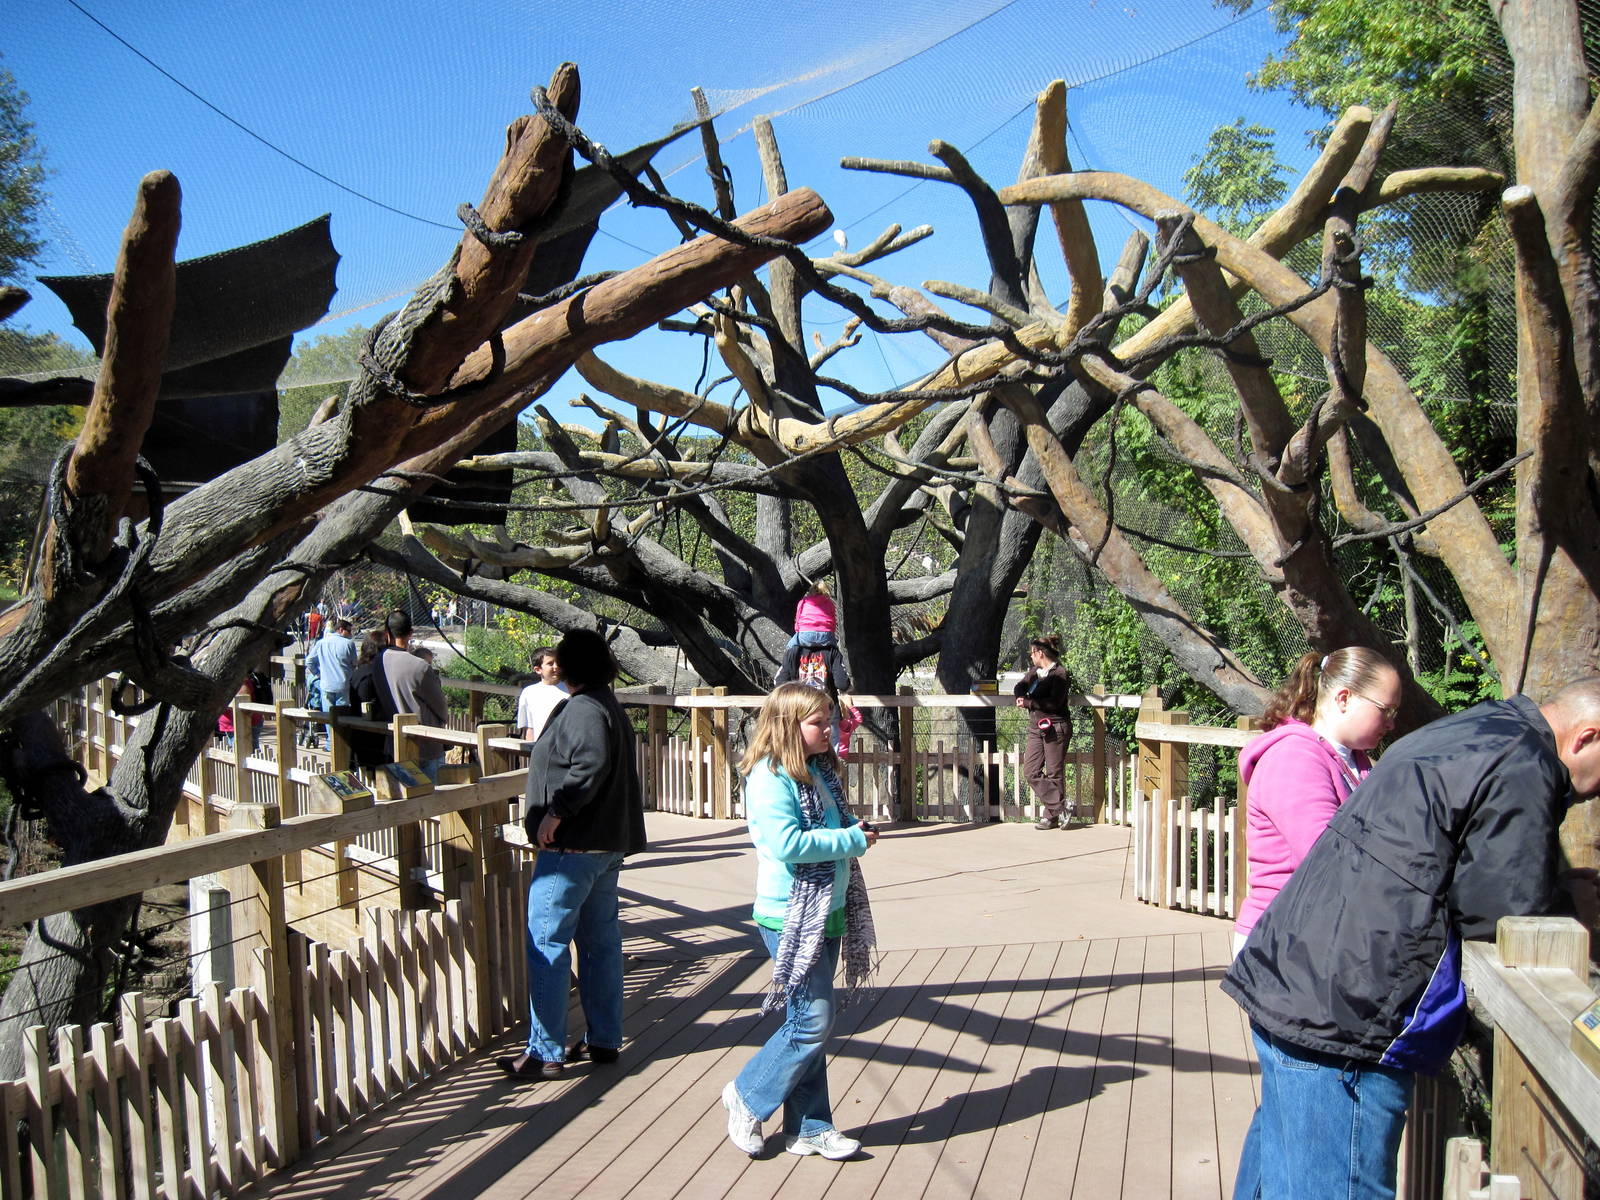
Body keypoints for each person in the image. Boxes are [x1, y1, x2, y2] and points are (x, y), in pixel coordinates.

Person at [1223, 679, 1600, 1200]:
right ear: (1586, 737)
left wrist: (1555, 886)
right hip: (1349, 1015)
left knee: (1279, 1172)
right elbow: (1499, 910)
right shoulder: (1523, 763)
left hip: (1298, 980)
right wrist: (1570, 908)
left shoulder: (1479, 728)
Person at [722, 682, 879, 1161]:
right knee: (812, 1020)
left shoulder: (818, 772)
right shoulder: (770, 777)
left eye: (830, 719)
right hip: (789, 914)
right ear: (790, 726)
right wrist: (850, 841)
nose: (829, 728)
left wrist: (849, 834)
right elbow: (785, 844)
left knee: (804, 1019)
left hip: (826, 909)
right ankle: (748, 1095)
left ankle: (809, 1126)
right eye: (818, 721)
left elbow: (827, 831)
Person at [497, 629, 646, 1081]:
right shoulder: (606, 704)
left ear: (570, 665)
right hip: (603, 844)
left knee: (548, 942)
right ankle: (604, 1037)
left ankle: (544, 1051)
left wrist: (555, 814)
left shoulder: (583, 708)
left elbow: (588, 764)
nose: (555, 667)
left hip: (573, 846)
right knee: (600, 945)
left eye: (560, 661)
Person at [1232, 647, 1400, 956]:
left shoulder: (1352, 759)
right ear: (1344, 698)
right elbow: (1329, 858)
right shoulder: (1294, 758)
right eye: (1384, 710)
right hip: (1284, 940)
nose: (1390, 723)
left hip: (1318, 934)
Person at [354, 610, 450, 782]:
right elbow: (441, 708)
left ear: (387, 633)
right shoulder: (420, 666)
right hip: (426, 745)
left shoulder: (378, 662)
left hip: (394, 744)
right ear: (411, 633)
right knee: (432, 801)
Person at [1013, 635, 1074, 829]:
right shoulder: (1035, 671)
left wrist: (1029, 703)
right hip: (1036, 728)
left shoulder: (1060, 674)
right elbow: (1019, 686)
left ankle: (1051, 817)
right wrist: (1021, 696)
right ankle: (1062, 806)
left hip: (1055, 727)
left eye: (1032, 653)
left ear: (1040, 653)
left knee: (1054, 773)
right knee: (1031, 771)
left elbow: (1054, 703)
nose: (1031, 657)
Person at [305, 617, 360, 746]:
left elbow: (309, 661)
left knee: (329, 716)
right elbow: (354, 663)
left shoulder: (321, 643)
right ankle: (342, 743)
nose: (350, 634)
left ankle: (330, 744)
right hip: (343, 684)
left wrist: (318, 674)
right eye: (348, 631)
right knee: (342, 718)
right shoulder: (348, 644)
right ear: (341, 630)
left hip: (326, 684)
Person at [515, 646, 569, 742]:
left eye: (558, 662)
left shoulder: (570, 690)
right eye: (550, 663)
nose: (556, 666)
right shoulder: (529, 692)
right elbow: (529, 727)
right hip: (541, 748)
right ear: (538, 669)